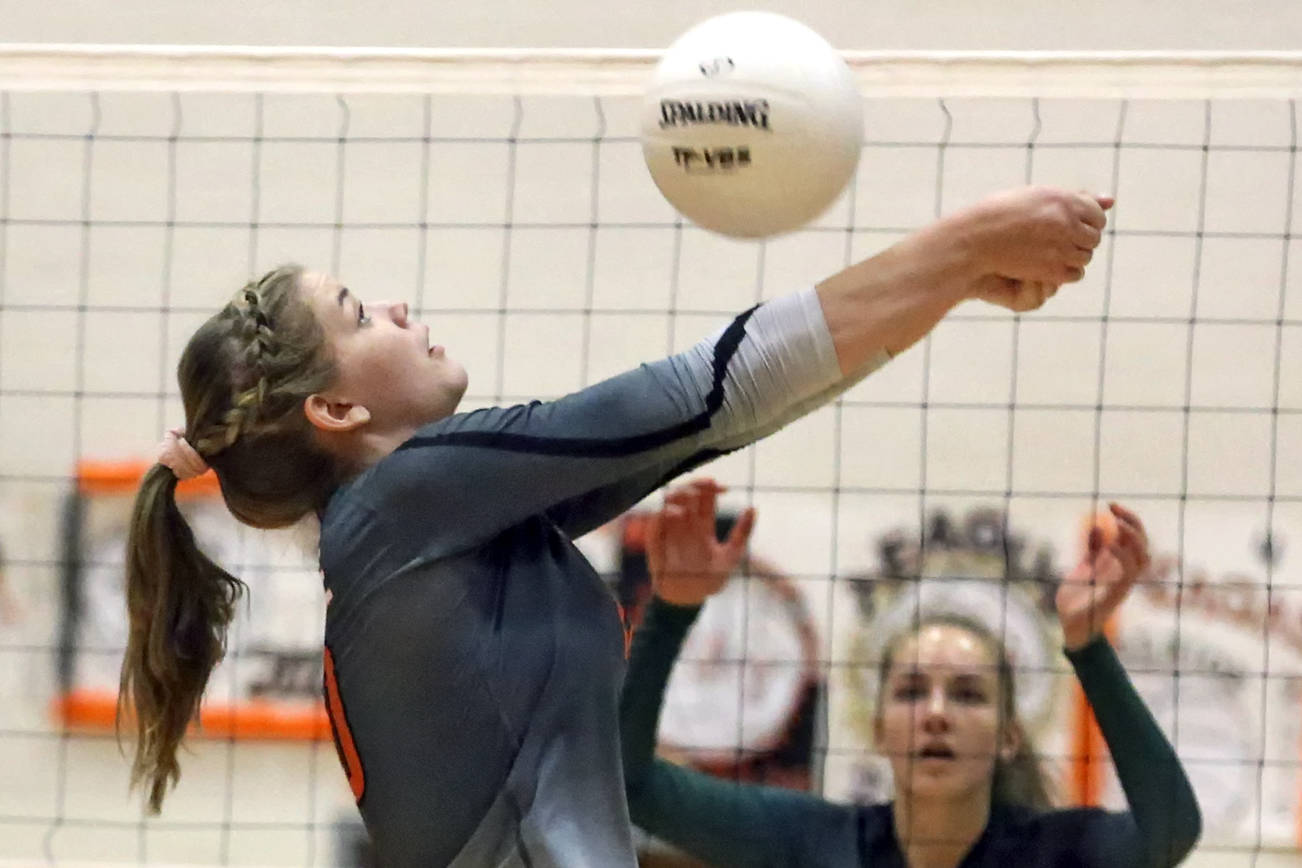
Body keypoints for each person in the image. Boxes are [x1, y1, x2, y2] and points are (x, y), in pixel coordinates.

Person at [119, 186, 1111, 868]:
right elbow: (703, 389)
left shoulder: (424, 526)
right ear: (334, 413)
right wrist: (963, 244)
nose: (397, 306)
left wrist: (946, 287)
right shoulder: (404, 497)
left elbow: (717, 417)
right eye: (357, 312)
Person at [622, 480, 1202, 867]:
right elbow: (629, 785)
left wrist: (1089, 648)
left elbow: (1171, 829)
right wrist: (672, 610)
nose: (937, 713)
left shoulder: (1052, 850)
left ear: (1009, 736)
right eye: (911, 691)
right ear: (878, 729)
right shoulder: (819, 842)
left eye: (969, 695)